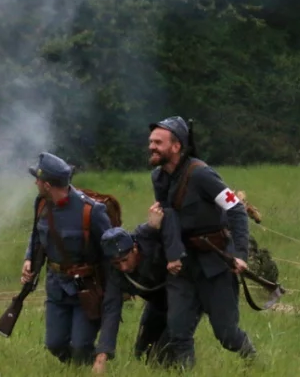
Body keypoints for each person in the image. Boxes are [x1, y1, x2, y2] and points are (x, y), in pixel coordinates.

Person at [147, 116, 256, 369]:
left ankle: (256, 364)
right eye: (151, 142)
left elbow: (235, 208)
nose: (151, 146)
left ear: (176, 147)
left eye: (158, 142)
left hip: (215, 263)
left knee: (227, 335)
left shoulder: (202, 174)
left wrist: (240, 254)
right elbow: (170, 218)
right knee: (178, 332)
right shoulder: (158, 178)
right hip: (182, 265)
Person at [20, 152, 114, 366]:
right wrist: (29, 259)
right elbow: (37, 235)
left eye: (39, 179)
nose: (35, 182)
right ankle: (76, 368)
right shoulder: (42, 204)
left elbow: (110, 252)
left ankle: (87, 365)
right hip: (56, 286)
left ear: (47, 185)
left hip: (86, 288)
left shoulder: (92, 211)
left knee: (81, 345)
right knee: (54, 344)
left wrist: (110, 293)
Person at [94, 203, 201, 373]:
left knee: (169, 348)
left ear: (134, 249)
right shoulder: (116, 274)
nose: (122, 267)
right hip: (158, 303)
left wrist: (155, 225)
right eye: (116, 263)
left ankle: (187, 371)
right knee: (142, 352)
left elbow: (172, 229)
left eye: (125, 260)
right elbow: (111, 310)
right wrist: (102, 355)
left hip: (186, 296)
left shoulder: (148, 236)